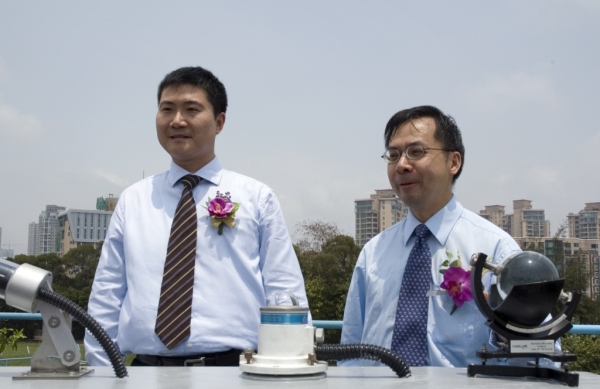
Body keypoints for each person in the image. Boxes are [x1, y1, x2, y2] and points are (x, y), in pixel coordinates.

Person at [84, 66, 309, 366]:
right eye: (167, 109)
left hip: (235, 373)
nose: (177, 120)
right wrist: (102, 374)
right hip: (144, 373)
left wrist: (289, 368)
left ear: (219, 122)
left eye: (191, 109)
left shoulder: (256, 197)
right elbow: (107, 296)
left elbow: (285, 290)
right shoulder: (133, 201)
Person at [340, 105, 521, 367]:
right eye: (393, 155)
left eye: (416, 152)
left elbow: (531, 350)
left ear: (453, 162)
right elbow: (351, 348)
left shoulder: (496, 250)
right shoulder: (373, 253)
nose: (401, 165)